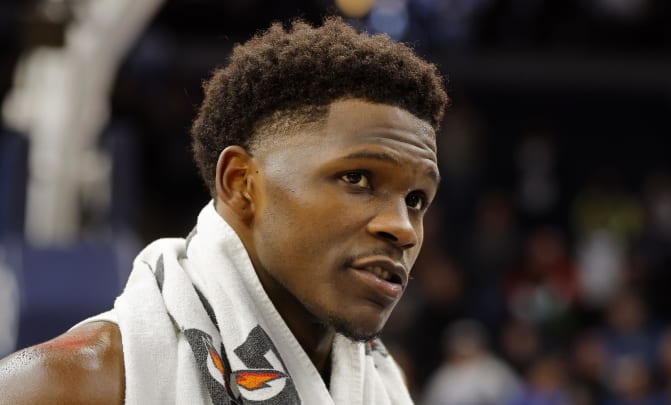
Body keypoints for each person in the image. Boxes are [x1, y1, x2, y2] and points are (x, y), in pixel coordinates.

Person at [0, 16, 448, 404]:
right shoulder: (62, 387)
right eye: (357, 179)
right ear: (240, 184)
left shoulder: (385, 389)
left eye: (416, 200)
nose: (402, 228)